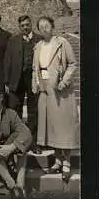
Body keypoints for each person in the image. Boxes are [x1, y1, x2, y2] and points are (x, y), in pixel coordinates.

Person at [32, 16, 79, 182]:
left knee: (63, 126)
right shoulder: (38, 46)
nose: (44, 28)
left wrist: (64, 81)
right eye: (41, 26)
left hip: (60, 91)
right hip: (45, 90)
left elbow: (73, 64)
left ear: (52, 27)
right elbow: (34, 68)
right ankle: (57, 160)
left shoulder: (62, 43)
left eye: (47, 25)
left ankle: (66, 162)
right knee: (51, 127)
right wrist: (35, 84)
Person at [4, 15, 42, 152]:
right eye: (22, 26)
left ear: (31, 24)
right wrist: (6, 82)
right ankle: (18, 141)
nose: (25, 27)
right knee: (15, 109)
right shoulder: (13, 40)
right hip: (17, 80)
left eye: (27, 24)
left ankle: (33, 142)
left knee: (34, 111)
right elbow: (7, 61)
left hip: (33, 79)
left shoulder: (39, 39)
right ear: (19, 27)